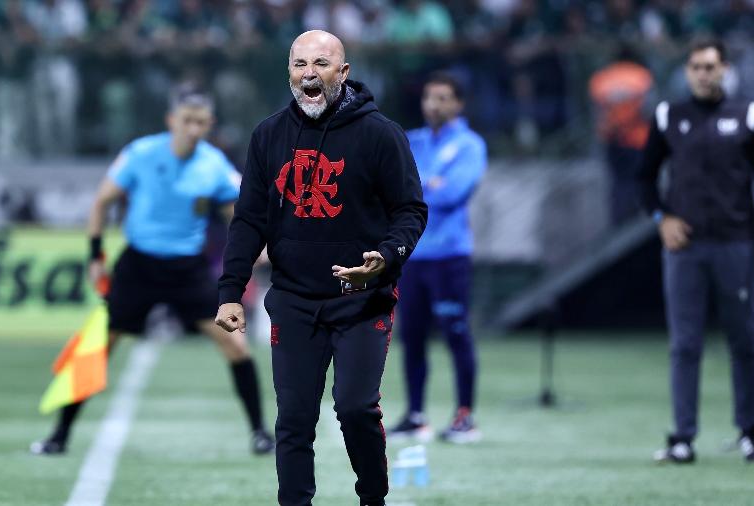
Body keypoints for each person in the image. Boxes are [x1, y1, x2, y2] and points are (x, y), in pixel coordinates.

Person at [214, 31, 427, 506]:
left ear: (343, 73)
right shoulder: (268, 135)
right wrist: (231, 289)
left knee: (354, 409)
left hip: (362, 300)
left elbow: (410, 211)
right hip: (292, 301)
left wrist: (386, 258)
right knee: (293, 419)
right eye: (299, 64)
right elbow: (248, 220)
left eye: (321, 64)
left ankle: (373, 498)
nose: (309, 73)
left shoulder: (381, 134)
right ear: (289, 71)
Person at [30, 83, 275, 456]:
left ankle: (260, 433)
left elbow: (238, 215)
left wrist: (255, 246)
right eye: (186, 120)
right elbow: (102, 202)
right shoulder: (140, 154)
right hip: (138, 266)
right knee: (98, 348)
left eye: (200, 122)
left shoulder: (213, 166)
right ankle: (59, 434)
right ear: (171, 120)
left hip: (186, 270)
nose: (193, 128)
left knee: (235, 343)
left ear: (209, 124)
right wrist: (96, 256)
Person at [638, 37, 754, 464]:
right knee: (685, 344)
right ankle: (682, 437)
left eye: (711, 66)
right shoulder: (669, 115)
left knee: (743, 340)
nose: (704, 74)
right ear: (687, 72)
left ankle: (750, 433)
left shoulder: (749, 115)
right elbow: (643, 178)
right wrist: (661, 219)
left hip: (736, 245)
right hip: (685, 249)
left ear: (724, 70)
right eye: (697, 67)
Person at [387, 72, 486, 444]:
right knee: (411, 337)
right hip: (412, 256)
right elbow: (392, 188)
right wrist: (431, 183)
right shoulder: (412, 141)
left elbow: (454, 193)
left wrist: (419, 186)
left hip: (450, 256)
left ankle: (465, 416)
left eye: (443, 97)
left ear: (458, 104)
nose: (434, 104)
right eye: (430, 96)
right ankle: (415, 415)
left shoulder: (470, 145)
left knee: (456, 335)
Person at [588, 43, 654, 225]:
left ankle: (618, 222)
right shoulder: (641, 77)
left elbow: (596, 113)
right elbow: (648, 109)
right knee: (639, 181)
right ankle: (637, 221)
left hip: (612, 140)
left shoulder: (601, 79)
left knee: (618, 183)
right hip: (638, 139)